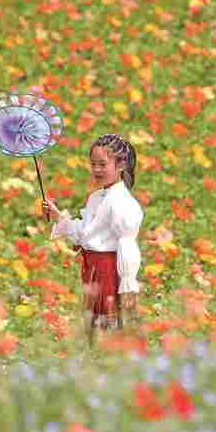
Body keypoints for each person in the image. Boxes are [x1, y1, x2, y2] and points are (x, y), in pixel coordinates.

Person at [43, 134, 143, 343]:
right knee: (93, 320)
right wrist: (57, 215)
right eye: (93, 164)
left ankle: (111, 354)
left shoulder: (121, 202)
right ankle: (96, 353)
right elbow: (84, 233)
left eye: (102, 164)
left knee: (108, 320)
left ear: (121, 165)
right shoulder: (97, 197)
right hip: (92, 268)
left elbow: (127, 245)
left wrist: (128, 283)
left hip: (109, 270)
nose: (96, 169)